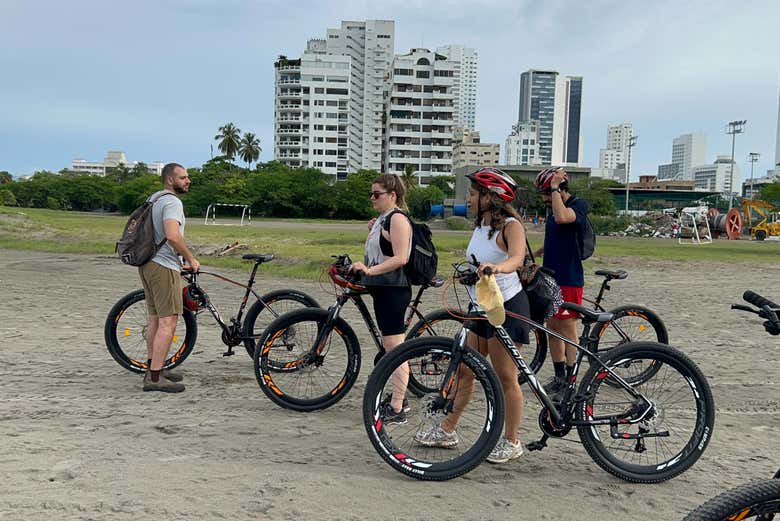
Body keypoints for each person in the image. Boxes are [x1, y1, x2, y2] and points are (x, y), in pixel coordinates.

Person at [415, 167, 529, 464]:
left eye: (475, 194)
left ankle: (512, 441)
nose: (470, 198)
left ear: (492, 197)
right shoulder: (480, 226)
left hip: (505, 308)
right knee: (465, 370)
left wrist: (498, 268)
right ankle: (448, 429)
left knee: (506, 378)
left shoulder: (511, 226)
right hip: (479, 306)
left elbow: (517, 258)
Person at [350, 173, 413, 424]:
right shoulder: (382, 220)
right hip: (383, 289)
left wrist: (369, 271)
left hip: (393, 290)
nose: (372, 198)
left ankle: (398, 407)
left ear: (393, 195)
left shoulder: (397, 219)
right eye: (371, 193)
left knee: (395, 350)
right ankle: (398, 398)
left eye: (377, 194)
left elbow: (400, 259)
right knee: (390, 347)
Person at [139, 162, 200, 393]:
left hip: (148, 263)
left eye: (187, 177)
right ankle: (155, 380)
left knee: (155, 319)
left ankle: (155, 368)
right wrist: (190, 258)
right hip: (163, 266)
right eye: (183, 177)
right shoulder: (172, 202)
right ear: (170, 180)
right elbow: (173, 236)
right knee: (168, 321)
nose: (188, 181)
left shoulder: (155, 198)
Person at [533, 167, 589, 399]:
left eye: (546, 193)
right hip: (551, 276)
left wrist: (555, 187)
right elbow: (555, 238)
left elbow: (563, 218)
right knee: (552, 326)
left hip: (569, 277)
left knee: (567, 328)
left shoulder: (578, 205)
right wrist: (535, 255)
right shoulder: (552, 208)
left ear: (560, 189)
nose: (544, 199)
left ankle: (571, 376)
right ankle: (559, 376)